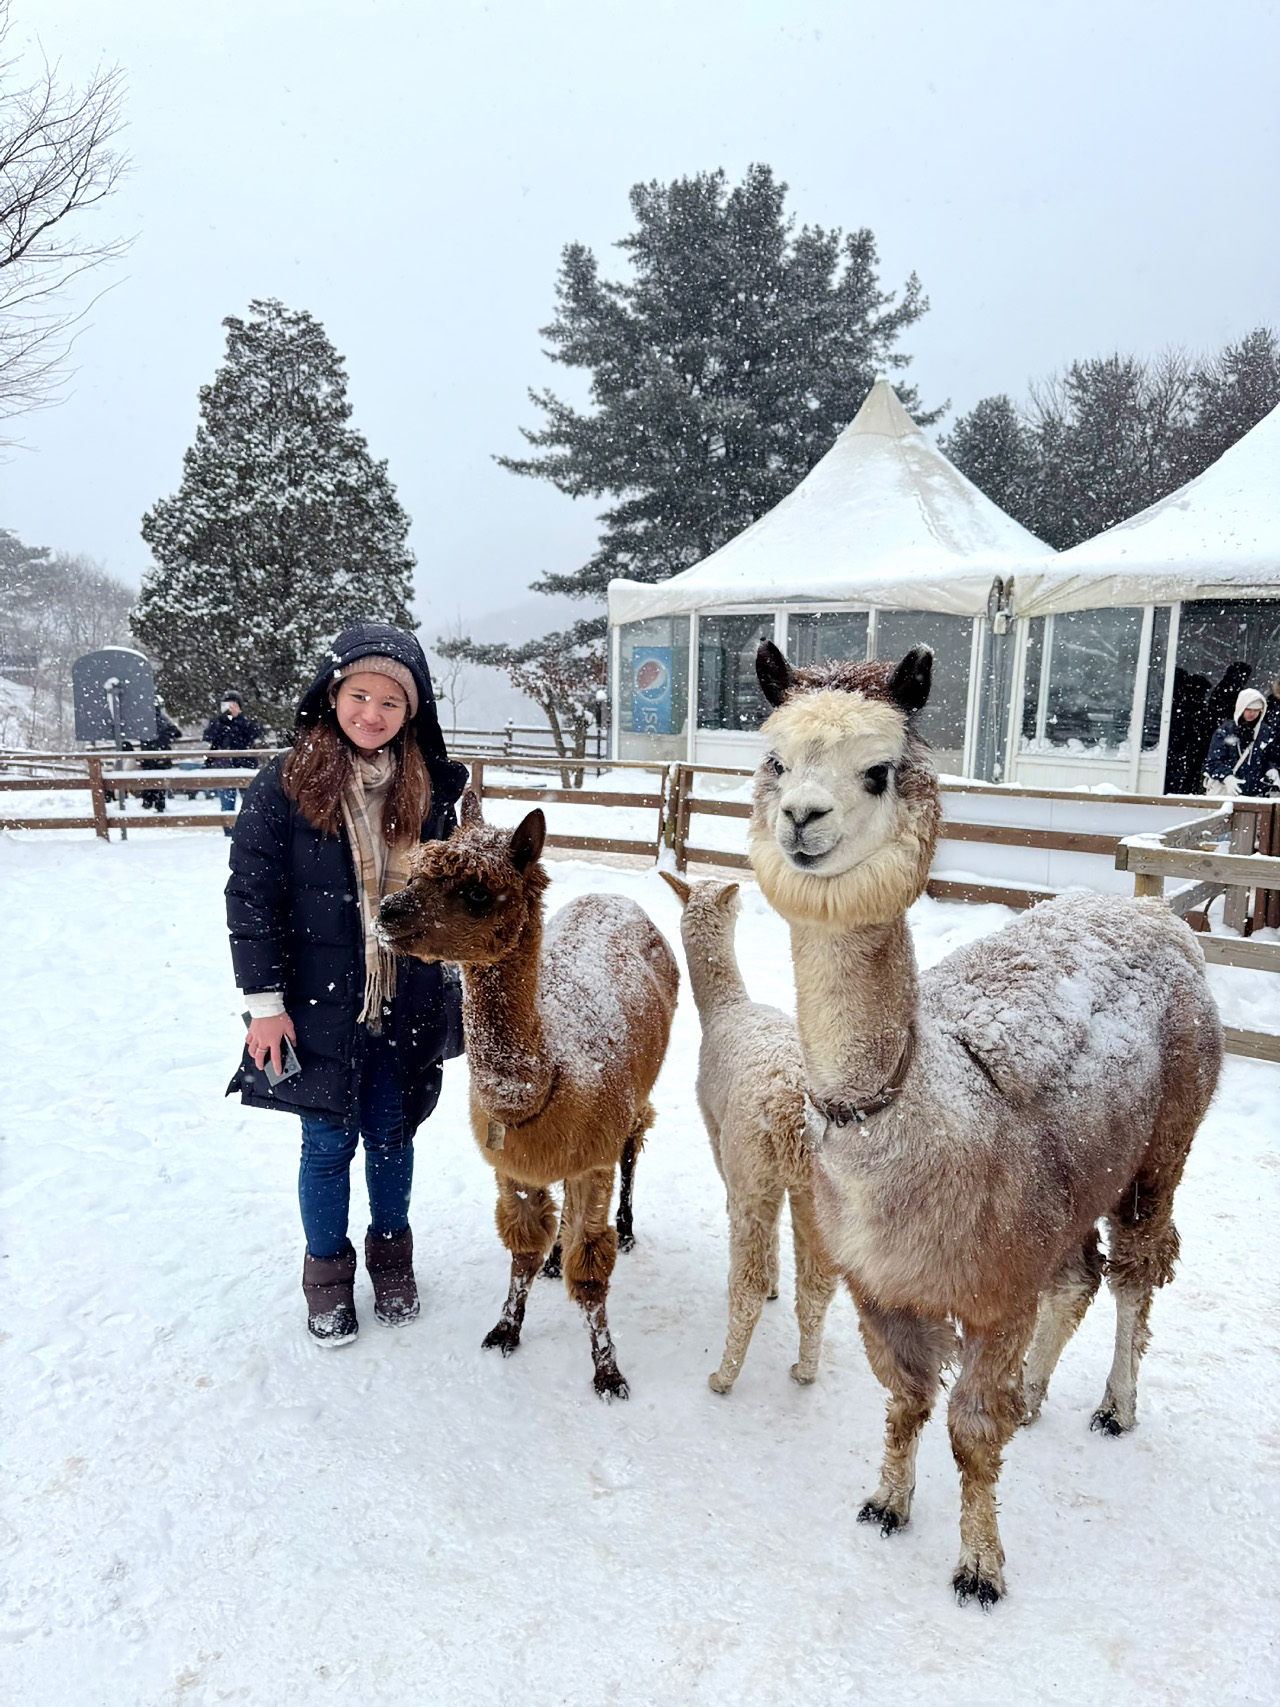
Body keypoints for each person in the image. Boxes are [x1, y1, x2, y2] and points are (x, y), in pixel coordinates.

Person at [225, 623, 467, 1345]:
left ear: (411, 713)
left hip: (405, 997)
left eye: (391, 702)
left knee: (392, 1137)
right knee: (327, 1145)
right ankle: (327, 1275)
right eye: (360, 694)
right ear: (333, 695)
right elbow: (252, 897)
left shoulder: (428, 786)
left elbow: (446, 896)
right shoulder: (285, 784)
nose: (372, 713)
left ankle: (392, 1259)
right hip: (314, 1004)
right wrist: (264, 1007)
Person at [1203, 687, 1279, 797]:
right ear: (1241, 708)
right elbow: (1213, 762)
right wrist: (1226, 776)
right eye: (1248, 709)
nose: (1252, 713)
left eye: (1257, 710)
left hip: (1255, 795)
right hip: (1227, 792)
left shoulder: (1264, 731)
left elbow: (1267, 757)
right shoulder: (1225, 731)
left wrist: (1271, 769)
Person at [203, 689, 262, 830]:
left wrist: (238, 719)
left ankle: (249, 829)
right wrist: (222, 720)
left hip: (244, 766)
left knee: (249, 802)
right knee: (227, 801)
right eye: (227, 705)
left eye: (233, 705)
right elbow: (209, 738)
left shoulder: (246, 723)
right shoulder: (217, 723)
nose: (230, 708)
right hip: (224, 767)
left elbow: (253, 734)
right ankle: (229, 830)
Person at [139, 699, 184, 812]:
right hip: (161, 755)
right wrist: (167, 736)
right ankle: (159, 804)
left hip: (148, 756)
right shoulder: (163, 720)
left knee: (148, 780)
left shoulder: (143, 721)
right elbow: (177, 733)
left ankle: (147, 802)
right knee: (159, 782)